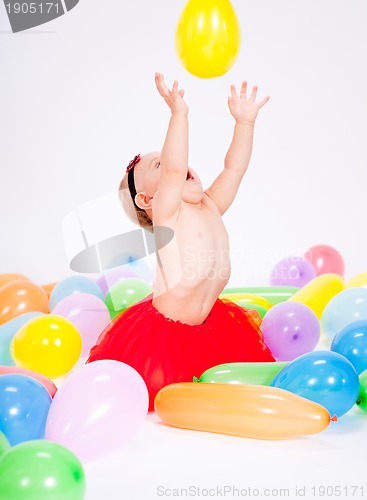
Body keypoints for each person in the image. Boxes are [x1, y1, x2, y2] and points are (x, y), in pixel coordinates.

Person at [87, 73, 275, 410]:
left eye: (172, 159)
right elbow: (174, 172)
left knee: (222, 383)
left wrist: (244, 124)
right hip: (164, 337)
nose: (180, 164)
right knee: (164, 396)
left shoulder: (210, 204)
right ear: (147, 200)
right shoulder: (168, 213)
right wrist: (179, 114)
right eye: (160, 165)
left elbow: (234, 170)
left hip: (210, 325)